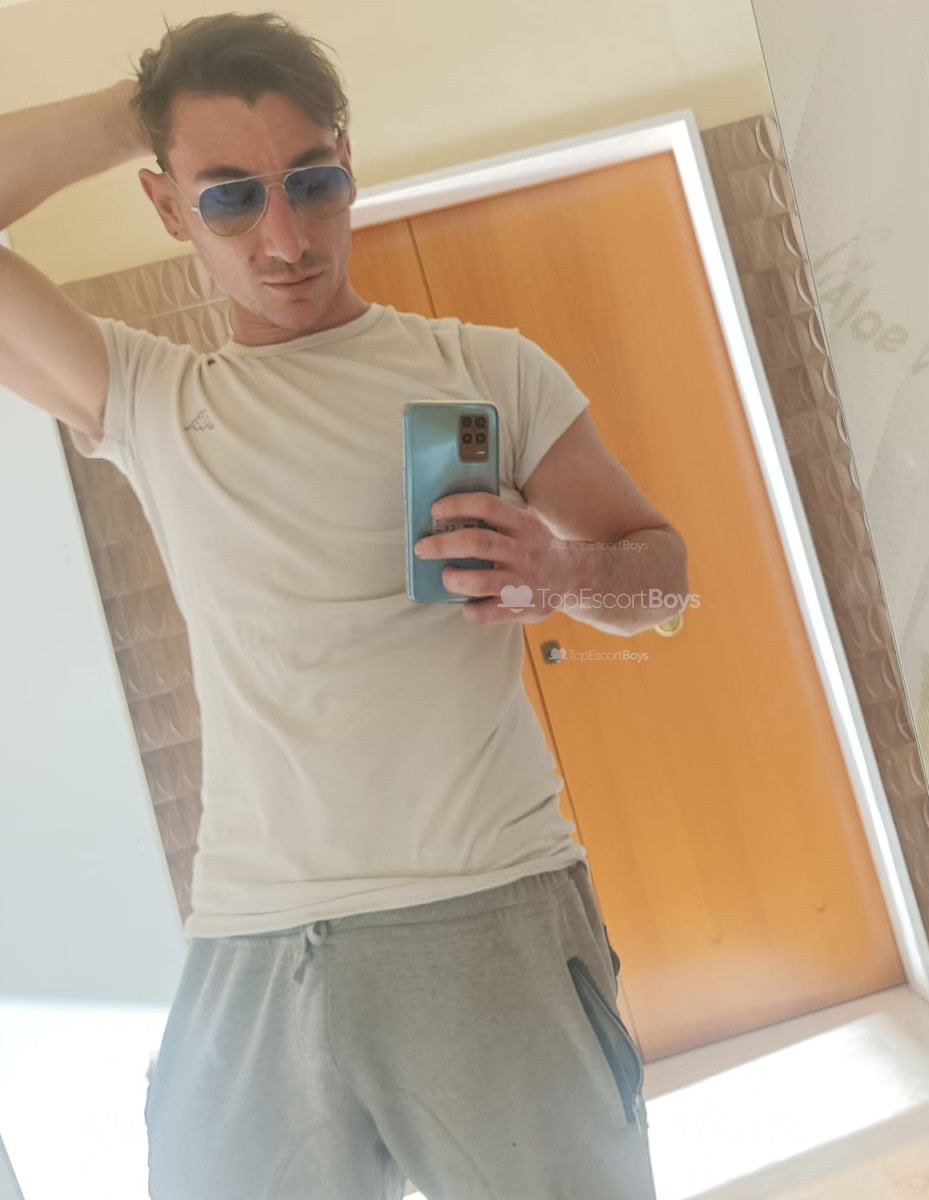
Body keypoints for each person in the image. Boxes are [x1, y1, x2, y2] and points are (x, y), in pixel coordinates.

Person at [0, 12, 689, 1198]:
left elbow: (664, 575)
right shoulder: (150, 399)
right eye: (229, 197)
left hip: (489, 908)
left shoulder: (489, 368)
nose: (286, 237)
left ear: (349, 165)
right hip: (252, 940)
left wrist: (563, 575)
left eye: (312, 182)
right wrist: (143, 104)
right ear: (166, 205)